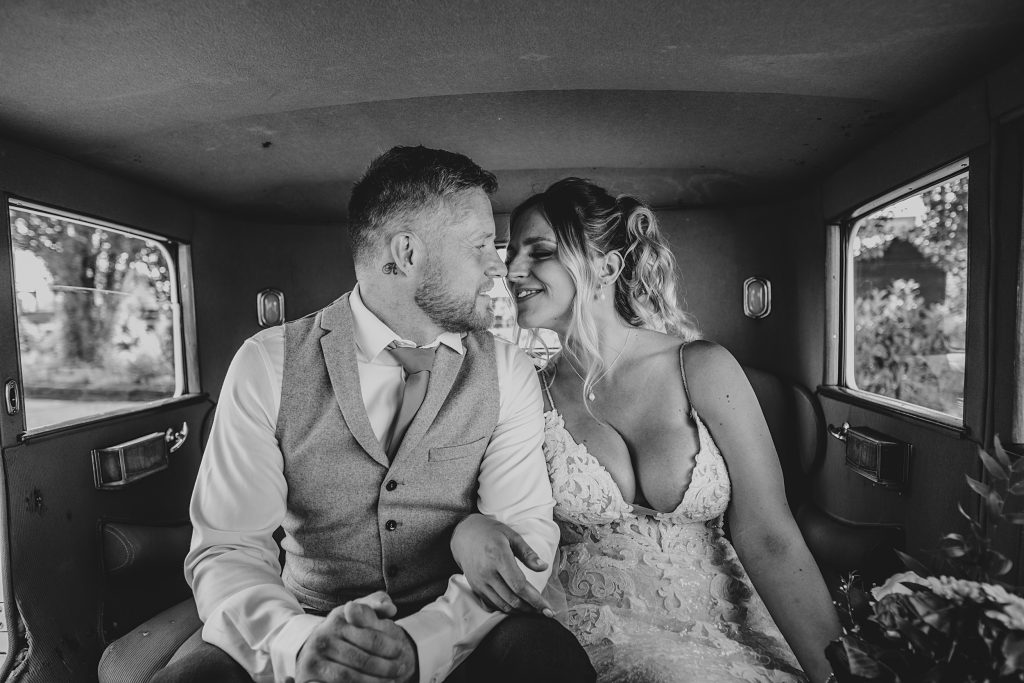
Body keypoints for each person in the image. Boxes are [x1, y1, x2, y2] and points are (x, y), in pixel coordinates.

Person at [154, 148, 595, 683]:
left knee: (547, 659)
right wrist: (299, 642)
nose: (498, 264)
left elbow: (524, 532)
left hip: (457, 636)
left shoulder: (507, 371)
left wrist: (420, 642)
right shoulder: (268, 362)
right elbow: (228, 547)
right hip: (305, 624)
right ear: (406, 254)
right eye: (480, 245)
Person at [450, 178, 842, 682]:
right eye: (511, 254)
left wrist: (839, 673)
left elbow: (769, 536)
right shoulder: (525, 392)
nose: (512, 271)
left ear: (606, 268)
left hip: (729, 628)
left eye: (539, 252)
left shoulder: (703, 368)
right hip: (591, 638)